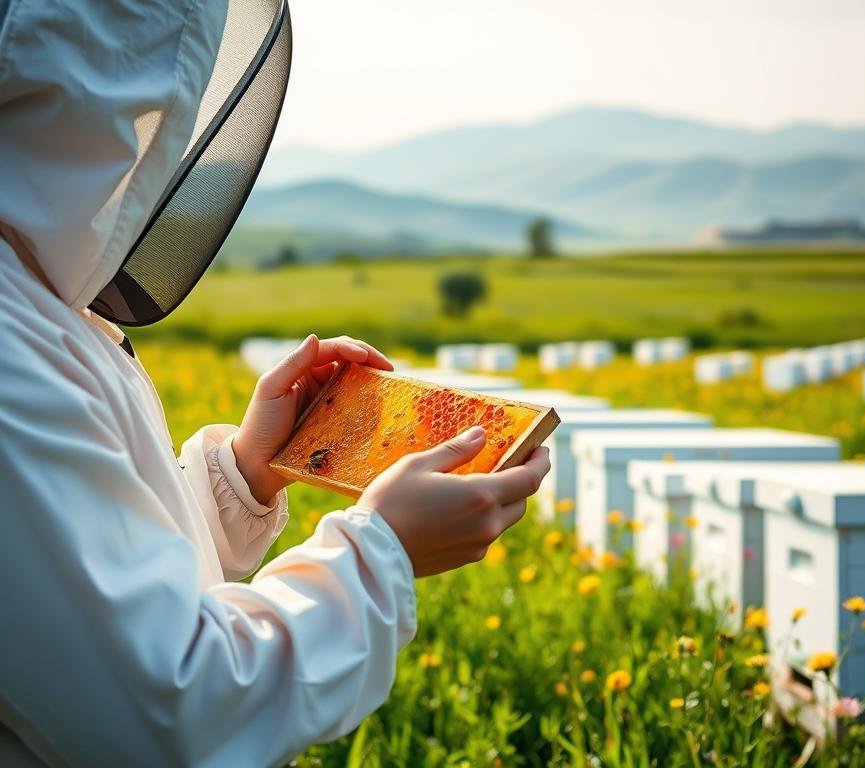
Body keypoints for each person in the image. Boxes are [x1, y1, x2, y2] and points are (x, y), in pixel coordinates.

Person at [0, 2, 550, 766]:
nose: (143, 148)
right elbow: (168, 716)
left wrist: (240, 477)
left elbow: (88, 570)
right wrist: (380, 551)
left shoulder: (31, 303)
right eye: (130, 115)